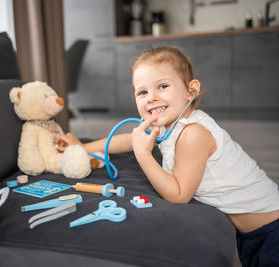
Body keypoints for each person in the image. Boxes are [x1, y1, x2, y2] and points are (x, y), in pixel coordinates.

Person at [57, 46, 279, 267]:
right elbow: (128, 140)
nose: (151, 98)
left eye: (162, 86)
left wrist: (144, 154)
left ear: (191, 91)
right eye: (142, 92)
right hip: (250, 235)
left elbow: (179, 195)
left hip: (271, 231)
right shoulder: (167, 124)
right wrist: (83, 147)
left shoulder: (193, 133)